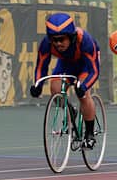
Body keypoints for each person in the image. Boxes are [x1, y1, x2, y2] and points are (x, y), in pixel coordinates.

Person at [30, 13, 100, 149]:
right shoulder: (46, 44)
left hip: (85, 66)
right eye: (54, 40)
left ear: (71, 37)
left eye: (62, 39)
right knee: (55, 90)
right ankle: (70, 111)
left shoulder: (85, 41)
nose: (58, 43)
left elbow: (94, 71)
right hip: (66, 65)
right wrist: (38, 84)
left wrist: (84, 87)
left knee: (83, 95)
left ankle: (90, 134)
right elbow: (41, 66)